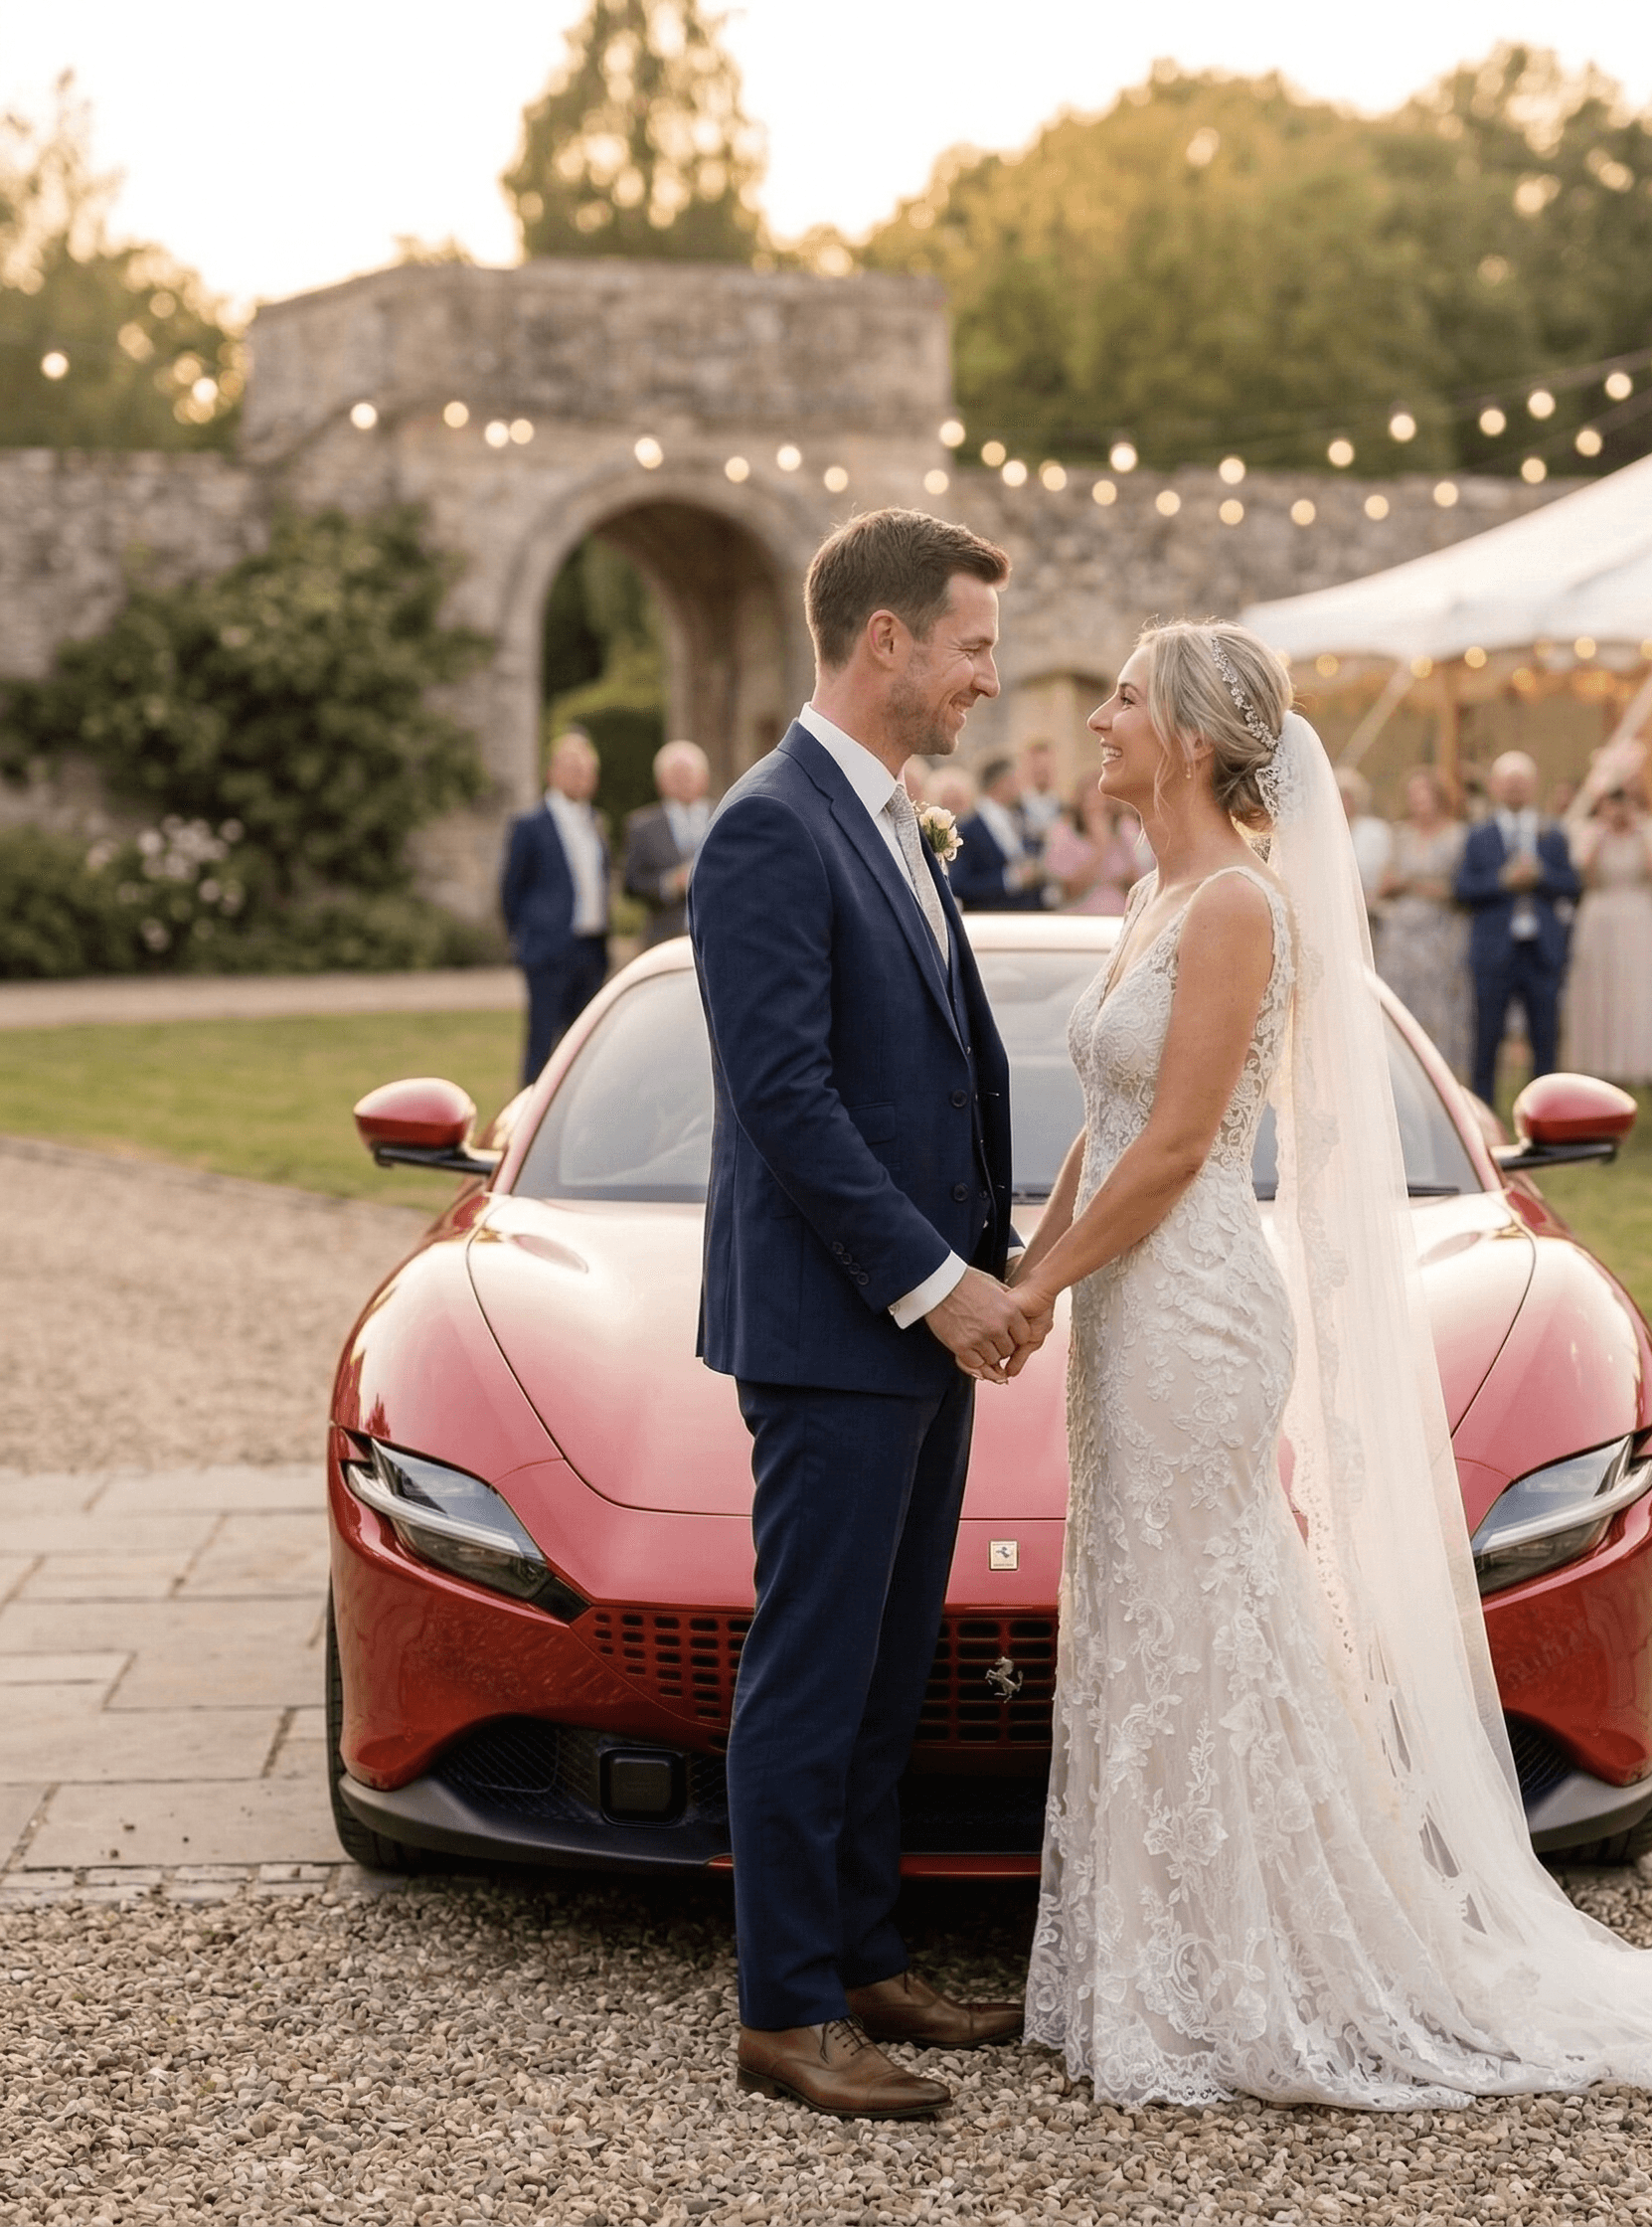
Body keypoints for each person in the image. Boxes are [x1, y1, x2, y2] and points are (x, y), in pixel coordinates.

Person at [1007, 616, 1652, 2110]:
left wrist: (1034, 1284)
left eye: (1117, 698)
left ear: (1190, 737)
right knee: (1148, 1610)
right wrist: (1039, 1260)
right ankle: (1161, 1953)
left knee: (1211, 1608)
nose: (1095, 716)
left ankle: (1273, 1965)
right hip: (1125, 1309)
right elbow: (1108, 1120)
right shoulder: (1157, 896)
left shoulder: (1236, 905)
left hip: (1197, 1300)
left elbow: (1174, 1149)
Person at [689, 508, 1036, 2124]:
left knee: (891, 1663)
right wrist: (939, 1280)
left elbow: (941, 1062)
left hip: (916, 1329)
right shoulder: (768, 826)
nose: (988, 675)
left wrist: (991, 1257)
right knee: (815, 1669)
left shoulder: (890, 814)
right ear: (885, 639)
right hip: (839, 1329)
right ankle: (784, 2010)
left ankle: (866, 1950)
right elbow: (788, 1099)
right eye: (971, 643)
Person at [1561, 743, 1652, 1140]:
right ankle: (1598, 1115)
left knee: (1644, 1010)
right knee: (1602, 1010)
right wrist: (1603, 831)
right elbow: (1584, 877)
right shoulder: (1586, 832)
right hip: (1599, 925)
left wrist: (1635, 828)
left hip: (1640, 925)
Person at [1455, 752, 1581, 1107]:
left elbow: (1572, 885)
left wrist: (1540, 876)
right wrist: (1503, 881)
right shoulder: (1479, 835)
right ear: (1496, 787)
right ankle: (1483, 1115)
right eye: (1508, 782)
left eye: (1521, 782)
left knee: (1545, 1037)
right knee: (1487, 1037)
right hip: (1495, 950)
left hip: (1541, 950)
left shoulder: (1552, 833)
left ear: (1533, 786)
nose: (1514, 788)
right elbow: (1462, 888)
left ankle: (1547, 1113)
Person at [499, 729, 611, 1086]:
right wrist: (529, 935)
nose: (581, 777)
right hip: (548, 951)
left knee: (584, 1046)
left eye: (587, 770)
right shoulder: (531, 826)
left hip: (590, 949)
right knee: (542, 1042)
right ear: (552, 773)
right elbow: (509, 890)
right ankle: (526, 1124)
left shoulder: (595, 822)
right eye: (572, 768)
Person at [1372, 766, 1471, 1079]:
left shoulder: (1457, 835)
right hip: (1402, 934)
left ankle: (1440, 1076)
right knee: (1401, 1001)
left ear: (1438, 797)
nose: (1418, 801)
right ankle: (1401, 1074)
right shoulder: (1400, 834)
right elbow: (1386, 883)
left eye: (1424, 794)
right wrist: (1403, 884)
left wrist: (1412, 883)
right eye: (1413, 795)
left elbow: (1458, 888)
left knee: (1440, 1002)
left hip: (1441, 932)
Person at [621, 739, 712, 949]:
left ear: (704, 778)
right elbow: (631, 884)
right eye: (676, 776)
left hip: (714, 937)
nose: (683, 781)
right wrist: (669, 885)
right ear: (660, 781)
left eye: (688, 773)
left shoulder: (725, 815)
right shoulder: (641, 825)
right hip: (663, 940)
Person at [949, 756, 1049, 911]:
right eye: (1015, 780)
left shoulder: (1021, 817)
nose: (1021, 787)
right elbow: (959, 885)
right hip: (991, 922)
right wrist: (1009, 880)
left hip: (1029, 917)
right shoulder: (967, 828)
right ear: (1001, 783)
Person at [1040, 777, 1147, 915]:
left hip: (1119, 916)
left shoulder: (1126, 830)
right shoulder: (1064, 833)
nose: (1099, 809)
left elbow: (1139, 884)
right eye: (1092, 803)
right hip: (1080, 919)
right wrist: (1101, 849)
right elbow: (1069, 892)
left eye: (1104, 802)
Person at [1335, 764, 1393, 906]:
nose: (1343, 802)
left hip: (1370, 906)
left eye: (1347, 797)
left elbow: (1388, 872)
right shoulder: (1322, 835)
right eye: (1339, 796)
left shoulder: (1376, 831)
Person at [1018, 736, 1066, 853]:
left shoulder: (1067, 809)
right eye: (1037, 765)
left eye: (1047, 765)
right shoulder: (1014, 808)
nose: (1042, 770)